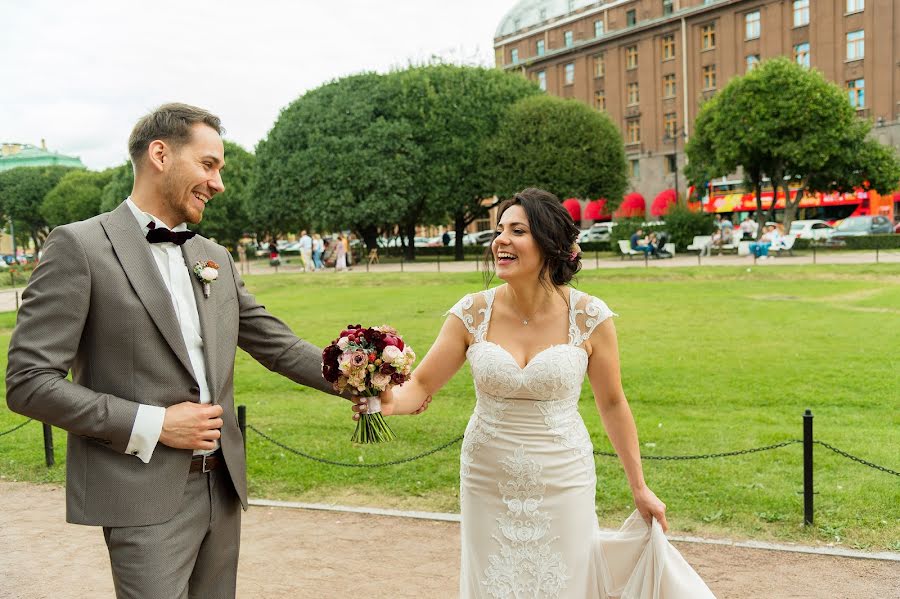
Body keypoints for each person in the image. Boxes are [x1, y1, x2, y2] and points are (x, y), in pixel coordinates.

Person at [5, 103, 376, 599]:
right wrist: (156, 425)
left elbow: (278, 344)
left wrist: (362, 379)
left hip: (222, 486)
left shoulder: (213, 256)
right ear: (160, 154)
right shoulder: (79, 247)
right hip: (142, 493)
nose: (218, 183)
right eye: (209, 165)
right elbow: (29, 383)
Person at [354, 188, 714, 598]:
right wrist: (381, 400)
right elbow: (419, 385)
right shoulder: (470, 313)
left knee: (563, 583)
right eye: (499, 230)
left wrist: (640, 487)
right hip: (487, 477)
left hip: (564, 477)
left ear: (549, 244)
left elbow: (612, 403)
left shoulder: (590, 316)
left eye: (517, 231)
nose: (500, 241)